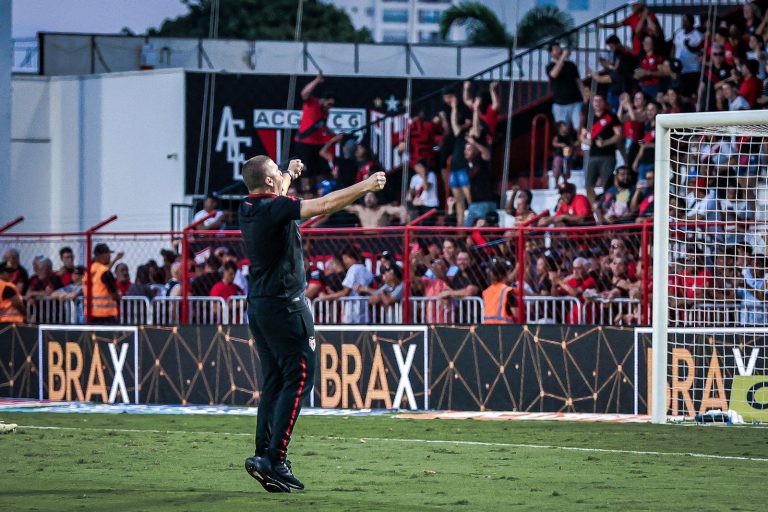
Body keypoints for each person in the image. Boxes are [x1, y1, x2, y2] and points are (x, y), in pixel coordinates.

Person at [239, 155, 386, 493]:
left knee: (274, 380)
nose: (282, 176)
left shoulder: (248, 206)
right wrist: (364, 186)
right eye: (277, 172)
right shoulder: (275, 209)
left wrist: (289, 172)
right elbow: (324, 205)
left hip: (259, 307)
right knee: (299, 378)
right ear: (269, 183)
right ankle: (276, 459)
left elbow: (278, 187)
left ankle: (263, 454)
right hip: (286, 308)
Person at [294, 74, 336, 191]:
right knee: (305, 173)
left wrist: (335, 134)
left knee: (319, 173)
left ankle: (318, 196)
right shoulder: (313, 103)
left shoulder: (325, 113)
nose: (330, 107)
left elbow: (324, 128)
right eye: (329, 104)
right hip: (305, 144)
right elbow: (304, 94)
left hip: (317, 145)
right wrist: (317, 80)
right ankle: (304, 195)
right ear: (323, 100)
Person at [581, 95, 622, 203]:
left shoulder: (611, 116)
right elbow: (582, 135)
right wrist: (586, 141)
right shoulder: (589, 118)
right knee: (588, 185)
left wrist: (606, 142)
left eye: (600, 100)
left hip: (607, 155)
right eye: (595, 101)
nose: (597, 103)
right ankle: (595, 208)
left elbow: (619, 135)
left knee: (607, 185)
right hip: (592, 156)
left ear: (604, 102)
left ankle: (606, 206)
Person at [547, 41, 583, 130]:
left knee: (579, 127)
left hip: (575, 101)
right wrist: (562, 57)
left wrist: (584, 95)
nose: (558, 50)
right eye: (555, 49)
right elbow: (554, 74)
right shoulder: (550, 66)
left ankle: (580, 143)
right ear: (551, 53)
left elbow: (578, 81)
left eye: (559, 48)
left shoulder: (571, 65)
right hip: (560, 104)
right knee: (563, 129)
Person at [83, 243, 120, 324]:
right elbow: (114, 295)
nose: (110, 256)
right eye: (108, 254)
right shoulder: (105, 272)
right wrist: (119, 295)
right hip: (106, 316)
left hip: (90, 315)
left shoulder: (89, 271)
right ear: (101, 255)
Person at [672, 14, 703, 97]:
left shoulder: (698, 35)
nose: (684, 23)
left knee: (693, 93)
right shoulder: (678, 33)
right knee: (682, 93)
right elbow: (674, 49)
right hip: (680, 69)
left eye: (686, 21)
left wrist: (689, 46)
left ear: (692, 22)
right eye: (683, 21)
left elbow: (699, 50)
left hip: (693, 69)